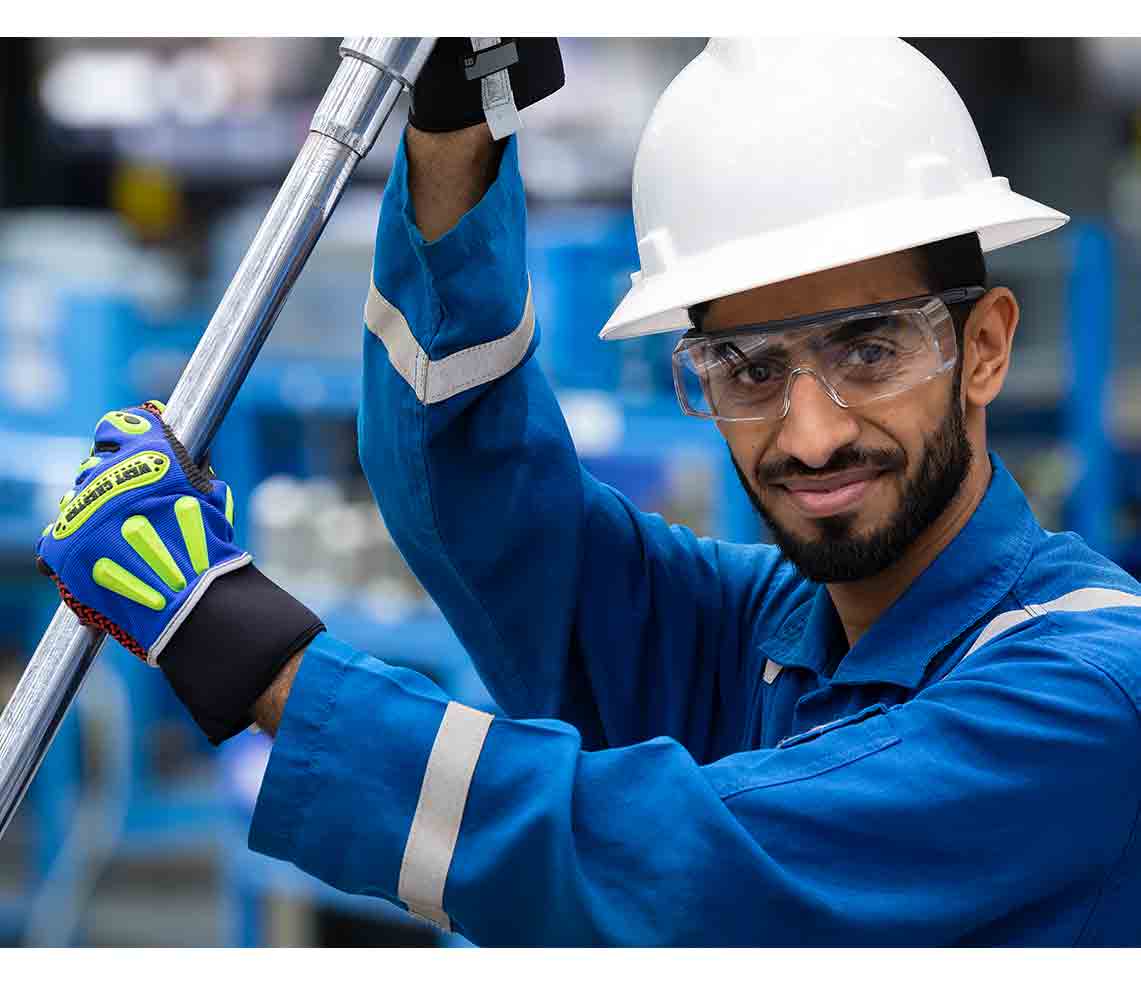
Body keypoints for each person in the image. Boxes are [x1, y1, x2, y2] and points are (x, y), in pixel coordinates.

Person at [37, 38, 1141, 946]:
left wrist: (233, 634)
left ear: (985, 346)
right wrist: (452, 138)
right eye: (749, 368)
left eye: (869, 349)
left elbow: (691, 867)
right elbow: (492, 513)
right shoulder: (782, 632)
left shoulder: (1088, 687)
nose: (811, 432)